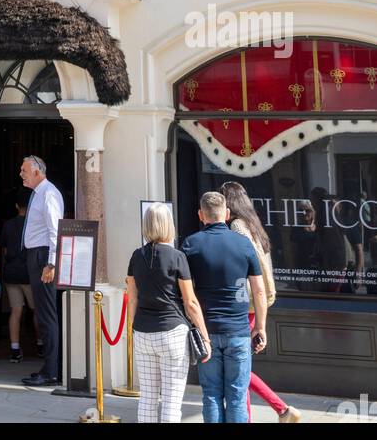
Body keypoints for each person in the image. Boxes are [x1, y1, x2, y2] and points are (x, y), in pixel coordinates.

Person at [182, 190, 267, 424]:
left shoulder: (190, 244)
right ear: (227, 214)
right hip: (238, 330)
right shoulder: (243, 244)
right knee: (237, 396)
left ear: (201, 215)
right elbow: (259, 291)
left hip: (206, 331)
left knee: (211, 394)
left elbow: (185, 292)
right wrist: (260, 327)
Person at [220, 181, 301, 424]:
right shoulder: (253, 225)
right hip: (255, 302)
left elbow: (245, 267)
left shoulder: (236, 226)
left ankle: (279, 410)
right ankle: (280, 411)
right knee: (240, 367)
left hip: (243, 303)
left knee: (238, 368)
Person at [126, 202, 211, 423]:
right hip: (172, 332)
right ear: (168, 225)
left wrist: (132, 329)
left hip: (143, 331)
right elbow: (190, 302)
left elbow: (132, 298)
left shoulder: (136, 256)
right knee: (172, 402)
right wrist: (205, 336)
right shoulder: (177, 257)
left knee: (147, 398)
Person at [19, 155, 64, 387]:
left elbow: (55, 230)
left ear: (37, 171)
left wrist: (51, 263)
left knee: (47, 315)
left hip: (43, 257)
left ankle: (52, 370)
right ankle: (49, 367)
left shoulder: (48, 193)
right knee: (43, 314)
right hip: (36, 256)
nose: (21, 174)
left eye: (24, 170)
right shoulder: (39, 194)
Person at [0, 190, 39, 362]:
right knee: (36, 310)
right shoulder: (35, 224)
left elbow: (4, 251)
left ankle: (14, 348)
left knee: (16, 311)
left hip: (11, 272)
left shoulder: (8, 225)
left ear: (16, 206)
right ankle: (41, 344)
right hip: (29, 273)